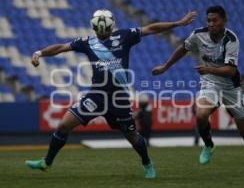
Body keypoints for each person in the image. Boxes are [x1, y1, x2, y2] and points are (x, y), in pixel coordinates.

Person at [25, 9, 197, 179]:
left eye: (105, 29)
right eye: (100, 30)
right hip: (96, 96)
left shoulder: (124, 36)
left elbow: (150, 29)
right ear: (95, 28)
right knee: (63, 126)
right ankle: (46, 163)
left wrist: (177, 23)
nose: (102, 32)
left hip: (119, 99)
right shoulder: (87, 42)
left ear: (111, 26)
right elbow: (62, 47)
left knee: (132, 136)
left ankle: (147, 163)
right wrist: (39, 53)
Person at [152, 5, 244, 177]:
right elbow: (183, 49)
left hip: (230, 87)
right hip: (209, 83)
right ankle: (208, 144)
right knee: (201, 115)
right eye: (209, 20)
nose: (211, 24)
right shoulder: (199, 35)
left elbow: (231, 70)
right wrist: (165, 66)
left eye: (215, 20)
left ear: (224, 21)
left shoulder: (231, 39)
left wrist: (208, 69)